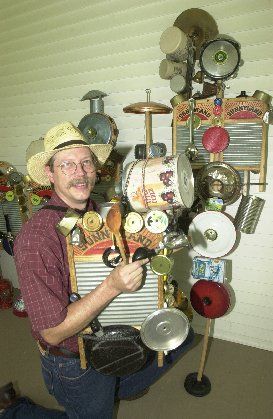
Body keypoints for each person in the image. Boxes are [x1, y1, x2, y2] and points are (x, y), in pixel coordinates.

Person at [14, 122, 194, 419]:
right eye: (67, 165)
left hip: (110, 338)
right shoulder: (37, 239)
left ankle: (117, 386)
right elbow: (53, 333)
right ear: (49, 173)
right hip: (75, 360)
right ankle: (15, 412)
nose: (80, 172)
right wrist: (112, 286)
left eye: (86, 162)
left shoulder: (93, 212)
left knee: (178, 338)